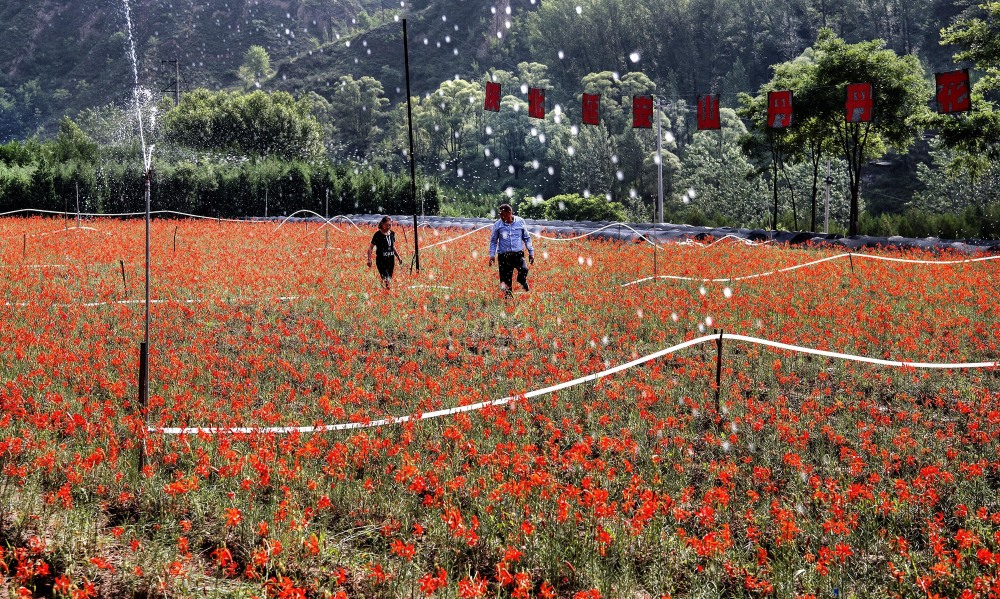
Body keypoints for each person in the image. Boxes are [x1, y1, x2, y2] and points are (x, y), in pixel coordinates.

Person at [488, 203, 534, 296]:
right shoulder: (498, 225)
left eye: (503, 214)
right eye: (500, 214)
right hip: (504, 256)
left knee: (524, 270)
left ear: (510, 213)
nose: (501, 216)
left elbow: (526, 238)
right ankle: (508, 302)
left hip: (518, 254)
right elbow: (493, 241)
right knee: (505, 281)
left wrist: (531, 252)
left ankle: (521, 280)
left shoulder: (520, 222)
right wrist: (492, 255)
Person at [367, 216, 404, 289]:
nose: (388, 227)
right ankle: (388, 291)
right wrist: (369, 259)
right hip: (381, 260)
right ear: (382, 224)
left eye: (390, 225)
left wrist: (398, 257)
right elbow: (370, 247)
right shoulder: (377, 235)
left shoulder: (392, 234)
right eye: (387, 225)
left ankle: (386, 291)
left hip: (390, 260)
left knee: (389, 277)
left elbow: (392, 246)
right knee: (386, 278)